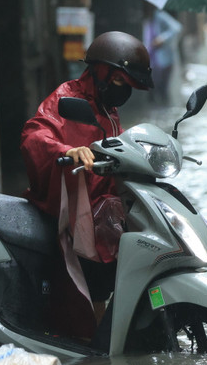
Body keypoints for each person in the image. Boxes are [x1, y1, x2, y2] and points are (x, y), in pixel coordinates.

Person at [20, 31, 153, 339]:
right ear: (101, 73)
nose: (123, 91)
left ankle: (107, 338)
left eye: (129, 86)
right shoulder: (67, 98)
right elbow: (34, 136)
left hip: (100, 213)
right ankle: (94, 349)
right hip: (69, 211)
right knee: (84, 288)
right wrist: (66, 150)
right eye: (119, 82)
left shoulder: (108, 108)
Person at [141, 3, 182, 104]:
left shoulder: (159, 16)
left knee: (162, 90)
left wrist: (162, 39)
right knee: (151, 91)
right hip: (151, 61)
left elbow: (177, 27)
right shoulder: (146, 20)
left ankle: (164, 114)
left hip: (163, 60)